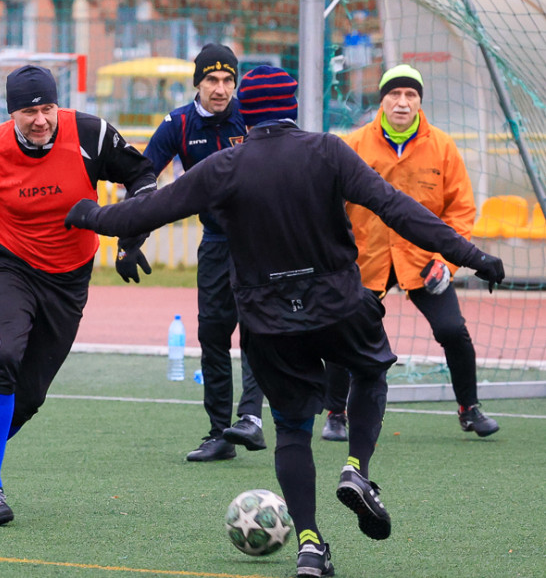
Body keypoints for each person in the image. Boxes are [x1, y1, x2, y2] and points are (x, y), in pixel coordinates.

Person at [64, 66, 504, 577]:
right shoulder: (329, 150)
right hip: (339, 303)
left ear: (245, 111)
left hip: (268, 319)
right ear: (294, 105)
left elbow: (144, 213)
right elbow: (400, 210)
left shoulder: (224, 166)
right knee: (370, 370)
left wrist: (83, 214)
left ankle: (311, 543)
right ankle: (357, 469)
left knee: (293, 430)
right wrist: (472, 256)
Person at [0, 65, 158, 526]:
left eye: (47, 108)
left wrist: (132, 237)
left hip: (69, 278)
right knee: (5, 356)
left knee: (28, 397)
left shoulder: (91, 134)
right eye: (29, 111)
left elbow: (144, 175)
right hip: (10, 266)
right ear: (12, 113)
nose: (40, 120)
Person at [321, 64, 499, 441]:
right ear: (382, 100)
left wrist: (446, 262)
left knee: (453, 330)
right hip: (364, 259)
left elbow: (461, 210)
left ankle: (470, 408)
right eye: (394, 95)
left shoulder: (443, 146)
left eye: (410, 96)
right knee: (340, 330)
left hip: (422, 261)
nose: (402, 103)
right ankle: (335, 413)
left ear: (419, 102)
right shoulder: (352, 145)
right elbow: (327, 204)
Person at [143, 43, 265, 462]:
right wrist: (130, 239)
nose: (221, 88)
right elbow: (143, 178)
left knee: (259, 331)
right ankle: (220, 435)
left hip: (260, 243)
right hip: (214, 242)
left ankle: (251, 417)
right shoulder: (177, 123)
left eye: (229, 79)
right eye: (212, 80)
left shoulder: (251, 116)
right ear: (197, 83)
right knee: (213, 334)